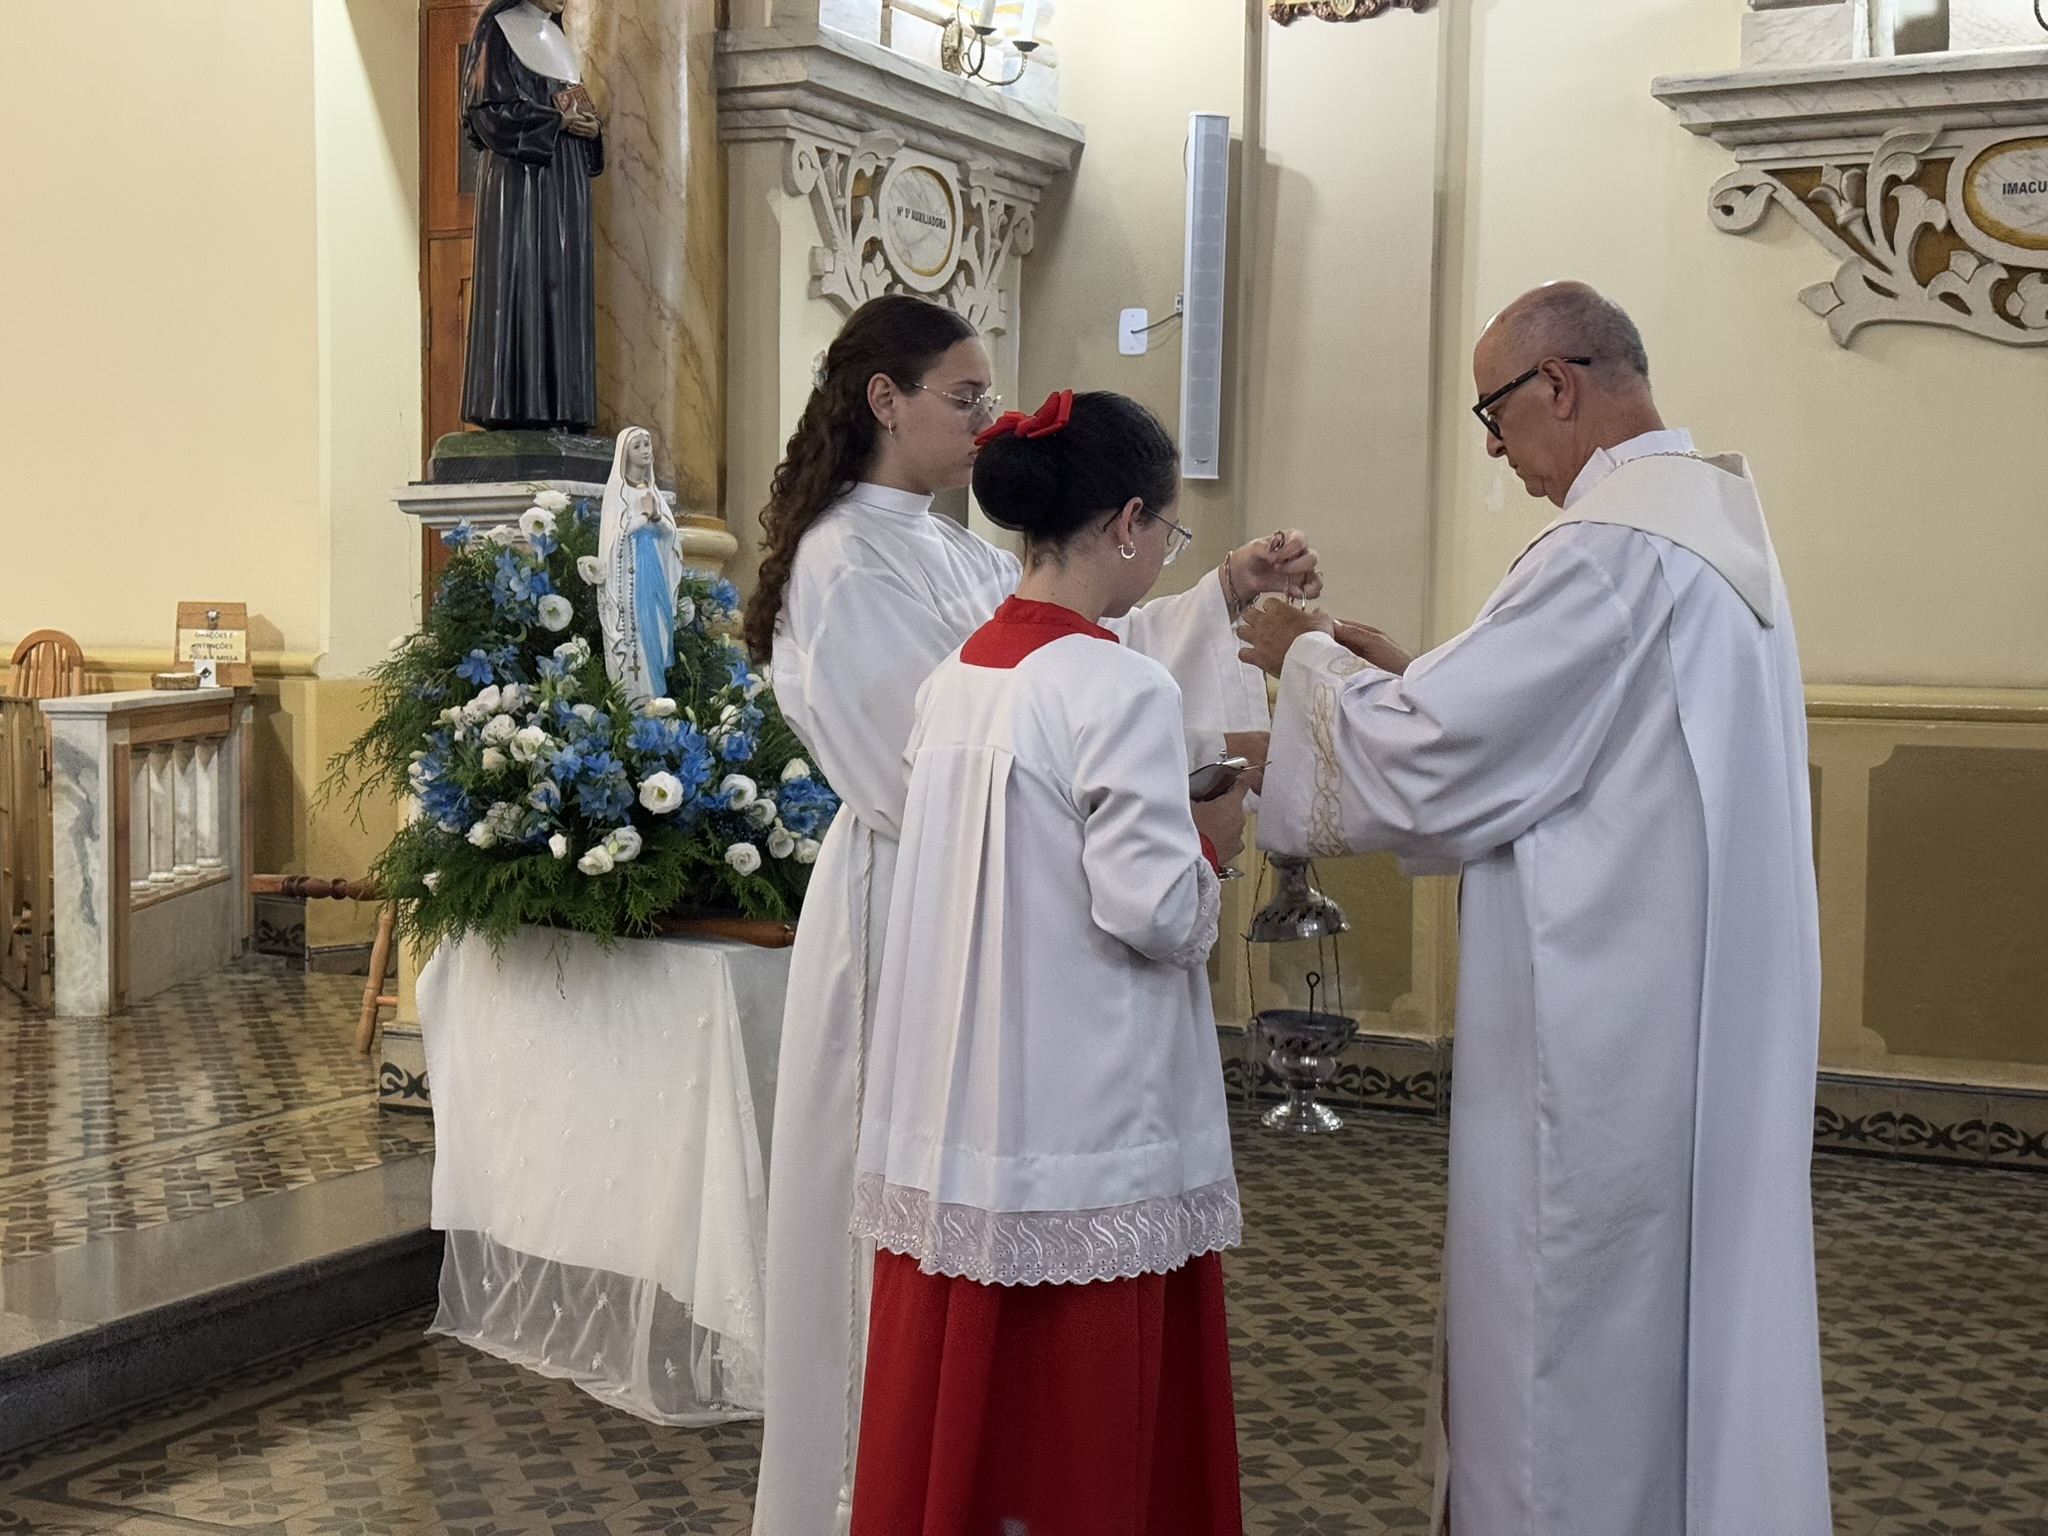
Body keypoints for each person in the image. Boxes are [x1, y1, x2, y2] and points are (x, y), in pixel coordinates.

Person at [1238, 282, 1831, 1536]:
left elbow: (1438, 759)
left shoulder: (1606, 550)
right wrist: (1413, 675)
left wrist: (1304, 656)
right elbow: (1571, 735)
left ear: (1555, 385)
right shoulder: (1707, 525)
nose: (1494, 450)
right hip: (1676, 1005)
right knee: (1670, 1316)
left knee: (1570, 1314)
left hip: (1596, 1032)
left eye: (1492, 416)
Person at [743, 293, 1319, 1536]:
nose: (985, 419)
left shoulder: (957, 556)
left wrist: (1218, 589)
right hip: (931, 893)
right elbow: (998, 746)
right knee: (956, 1215)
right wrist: (1185, 822)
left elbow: (1067, 644)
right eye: (964, 396)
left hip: (1008, 884)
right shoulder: (843, 559)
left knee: (984, 1215)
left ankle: (943, 1483)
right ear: (883, 400)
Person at [850, 389, 1247, 1536]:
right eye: (1167, 530)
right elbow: (1149, 909)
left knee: (964, 1422)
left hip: (963, 1115)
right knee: (1082, 1438)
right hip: (1085, 1121)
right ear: (1124, 523)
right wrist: (1210, 845)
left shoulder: (956, 679)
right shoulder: (1118, 684)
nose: (1162, 551)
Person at [461, 0, 603, 433]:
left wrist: (591, 130)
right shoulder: (498, 29)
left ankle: (564, 407)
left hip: (565, 185)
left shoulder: (556, 35)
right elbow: (486, 116)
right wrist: (555, 122)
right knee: (524, 277)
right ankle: (514, 406)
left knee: (563, 282)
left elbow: (574, 105)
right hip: (519, 188)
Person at [596, 426, 682, 705]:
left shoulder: (653, 492)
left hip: (653, 572)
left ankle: (654, 697)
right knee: (632, 634)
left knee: (656, 629)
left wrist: (656, 518)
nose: (646, 450)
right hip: (627, 581)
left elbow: (670, 535)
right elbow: (612, 540)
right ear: (625, 454)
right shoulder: (617, 493)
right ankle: (633, 702)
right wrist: (643, 519)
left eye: (647, 444)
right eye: (638, 446)